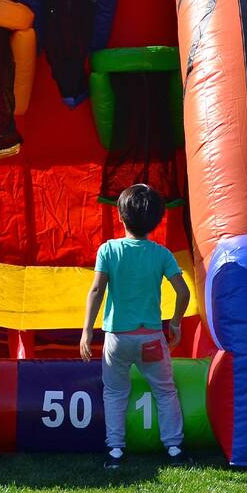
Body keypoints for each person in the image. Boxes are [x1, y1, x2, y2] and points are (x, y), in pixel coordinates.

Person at [80, 183, 191, 469]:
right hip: (151, 337)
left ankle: (115, 451)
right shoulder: (161, 254)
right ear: (157, 220)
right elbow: (183, 292)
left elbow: (96, 290)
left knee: (115, 392)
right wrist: (175, 323)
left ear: (120, 216)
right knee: (165, 391)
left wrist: (87, 329)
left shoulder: (109, 250)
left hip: (117, 338)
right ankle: (174, 448)